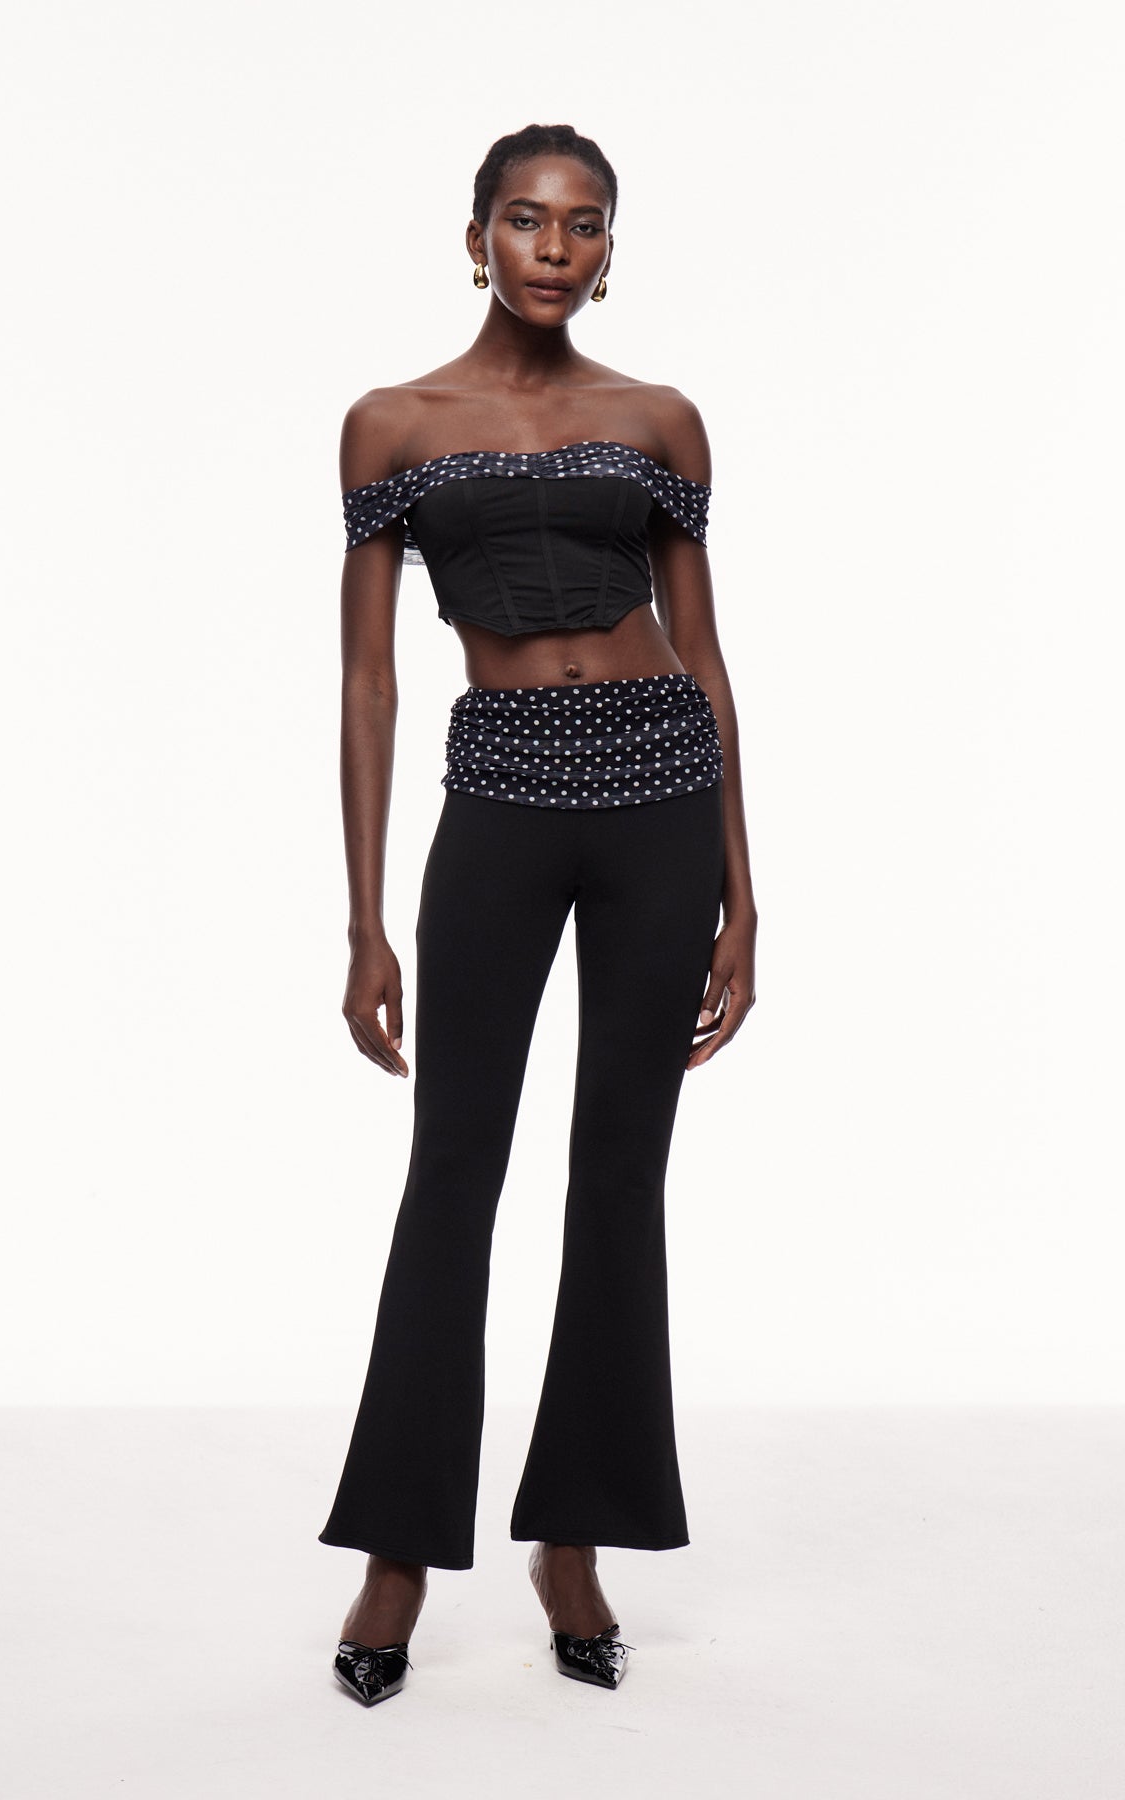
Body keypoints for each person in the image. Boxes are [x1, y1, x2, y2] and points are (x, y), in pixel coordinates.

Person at [319, 122, 758, 1704]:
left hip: (661, 796)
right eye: (526, 220)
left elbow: (704, 654)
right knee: (454, 1172)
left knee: (618, 1177)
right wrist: (365, 920)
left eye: (583, 226)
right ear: (477, 239)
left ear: (608, 251)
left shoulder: (660, 420)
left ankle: (574, 1541)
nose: (554, 248)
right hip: (499, 794)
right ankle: (396, 1557)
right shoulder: (393, 425)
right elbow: (369, 681)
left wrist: (745, 893)